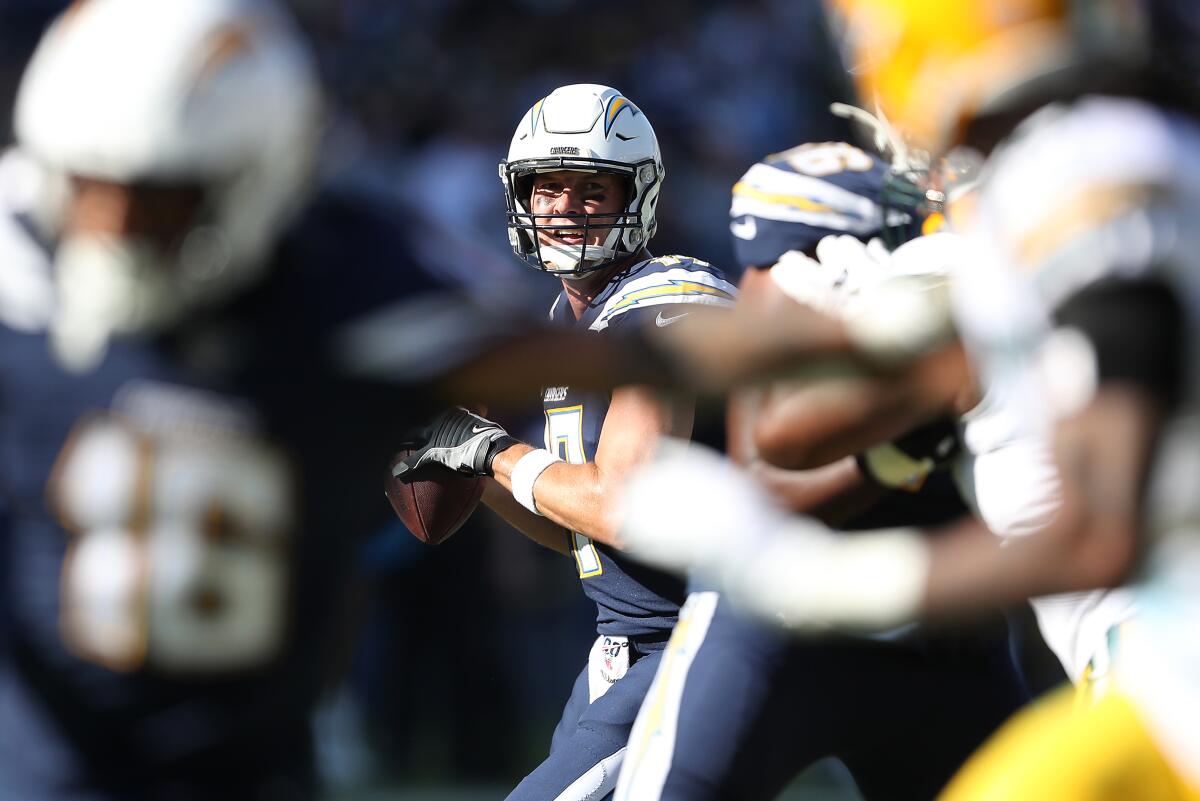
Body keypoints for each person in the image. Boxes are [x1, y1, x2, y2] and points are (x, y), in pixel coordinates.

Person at [616, 0, 1200, 797]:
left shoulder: (1080, 164)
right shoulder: (1096, 168)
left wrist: (810, 577)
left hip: (1166, 656)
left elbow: (1100, 527)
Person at [0, 1, 445, 797]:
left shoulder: (340, 286)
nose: (113, 223)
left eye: (159, 194)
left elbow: (566, 355)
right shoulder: (19, 264)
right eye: (87, 186)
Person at [612, 137, 1027, 801]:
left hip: (943, 634)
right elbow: (767, 477)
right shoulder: (805, 258)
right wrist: (906, 443)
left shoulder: (1015, 271)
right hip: (779, 623)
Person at [392, 83, 738, 800]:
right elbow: (585, 535)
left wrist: (493, 451)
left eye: (592, 188)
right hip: (627, 646)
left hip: (698, 638)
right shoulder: (573, 323)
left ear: (638, 194)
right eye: (548, 188)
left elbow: (620, 505)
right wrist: (473, 463)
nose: (565, 208)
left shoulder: (666, 299)